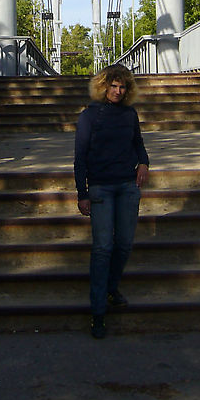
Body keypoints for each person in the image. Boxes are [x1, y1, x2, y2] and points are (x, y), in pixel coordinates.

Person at [74, 64, 149, 339]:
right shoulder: (89, 117)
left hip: (128, 186)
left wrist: (144, 162)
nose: (117, 91)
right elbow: (80, 157)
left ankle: (110, 286)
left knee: (125, 244)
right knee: (103, 247)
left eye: (122, 87)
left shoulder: (130, 114)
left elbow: (138, 142)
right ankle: (97, 313)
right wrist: (82, 193)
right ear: (103, 87)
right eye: (113, 86)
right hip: (101, 189)